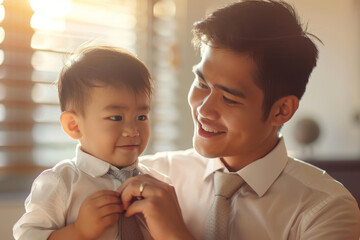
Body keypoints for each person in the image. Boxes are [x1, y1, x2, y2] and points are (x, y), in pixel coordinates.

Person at [116, 1, 360, 240]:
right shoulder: (146, 176)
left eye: (229, 98)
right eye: (202, 84)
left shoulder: (327, 210)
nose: (204, 109)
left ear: (282, 110)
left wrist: (174, 235)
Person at [13, 46, 168, 240]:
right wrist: (78, 231)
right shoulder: (61, 183)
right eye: (116, 117)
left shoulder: (156, 183)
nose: (133, 130)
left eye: (142, 117)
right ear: (74, 125)